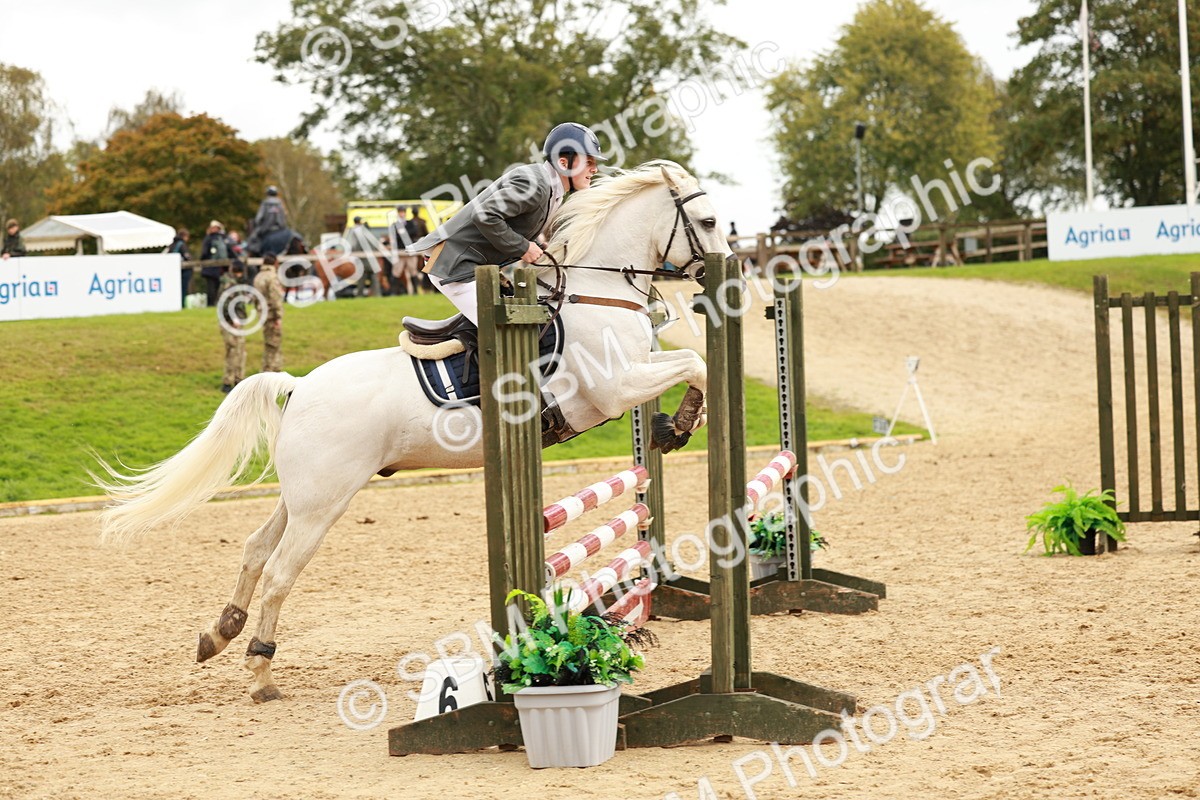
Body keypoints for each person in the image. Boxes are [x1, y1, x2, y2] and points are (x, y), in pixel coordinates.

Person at [408, 122, 604, 325]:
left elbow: (517, 220)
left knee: (522, 323)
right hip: (454, 264)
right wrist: (523, 247)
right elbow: (485, 215)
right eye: (588, 162)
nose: (595, 169)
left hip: (470, 264)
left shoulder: (550, 189)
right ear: (564, 163)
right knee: (508, 330)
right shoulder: (536, 184)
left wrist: (534, 243)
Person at [217, 262, 248, 393]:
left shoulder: (230, 282)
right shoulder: (230, 283)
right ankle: (229, 382)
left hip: (232, 322)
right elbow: (225, 303)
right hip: (231, 323)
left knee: (237, 351)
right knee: (234, 352)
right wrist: (233, 318)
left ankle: (237, 379)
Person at [253, 253, 285, 372]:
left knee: (268, 343)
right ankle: (272, 372)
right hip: (272, 315)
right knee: (274, 345)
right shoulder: (272, 277)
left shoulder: (258, 277)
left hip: (262, 314)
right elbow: (275, 298)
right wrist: (278, 316)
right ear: (275, 263)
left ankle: (268, 370)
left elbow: (255, 298)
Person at [388, 206, 422, 295]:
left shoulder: (410, 223)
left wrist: (403, 233)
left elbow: (415, 232)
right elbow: (394, 236)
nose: (402, 213)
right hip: (400, 251)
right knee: (396, 271)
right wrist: (404, 234)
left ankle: (415, 291)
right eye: (400, 212)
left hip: (410, 251)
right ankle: (394, 292)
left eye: (403, 212)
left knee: (413, 270)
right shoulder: (394, 225)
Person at [199, 220, 230, 307]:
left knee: (211, 287)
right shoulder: (223, 238)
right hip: (221, 267)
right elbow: (230, 251)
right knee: (217, 286)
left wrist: (202, 261)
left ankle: (211, 304)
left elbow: (204, 253)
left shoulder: (208, 238)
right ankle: (216, 303)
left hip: (210, 267)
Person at [347, 216, 379, 297]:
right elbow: (376, 248)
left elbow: (356, 249)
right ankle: (376, 295)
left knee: (361, 281)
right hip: (373, 264)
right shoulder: (373, 237)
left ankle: (359, 295)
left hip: (364, 264)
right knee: (374, 281)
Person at [168, 227, 192, 308]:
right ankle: (182, 304)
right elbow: (187, 257)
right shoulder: (182, 245)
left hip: (172, 271)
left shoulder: (171, 245)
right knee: (183, 288)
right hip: (183, 270)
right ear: (185, 236)